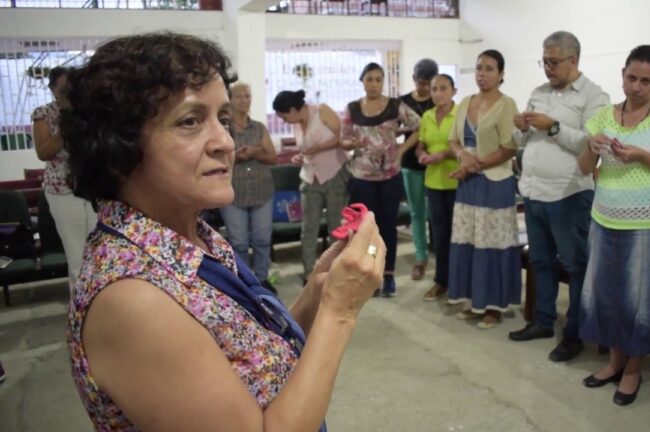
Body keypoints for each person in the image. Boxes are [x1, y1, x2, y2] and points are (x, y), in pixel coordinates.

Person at [61, 32, 385, 431]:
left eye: (224, 119)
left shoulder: (187, 234)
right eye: (191, 121)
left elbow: (256, 351)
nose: (226, 142)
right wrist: (340, 312)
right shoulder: (133, 299)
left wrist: (319, 291)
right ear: (117, 147)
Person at [577, 45, 650, 406]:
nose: (637, 86)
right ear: (622, 75)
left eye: (646, 81)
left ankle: (633, 369)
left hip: (648, 222)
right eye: (631, 78)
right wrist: (592, 146)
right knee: (606, 293)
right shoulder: (603, 116)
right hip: (604, 217)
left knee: (640, 297)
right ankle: (614, 361)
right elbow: (583, 168)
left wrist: (642, 155)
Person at [507, 31, 610, 362]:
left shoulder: (595, 97)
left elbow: (591, 145)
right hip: (534, 191)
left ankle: (575, 333)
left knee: (575, 265)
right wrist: (521, 127)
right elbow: (519, 141)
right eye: (544, 61)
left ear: (573, 60)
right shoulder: (539, 92)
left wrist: (553, 127)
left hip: (569, 194)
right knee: (540, 261)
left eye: (553, 62)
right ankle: (543, 321)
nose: (547, 68)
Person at [447, 50, 522, 329]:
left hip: (494, 182)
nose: (482, 73)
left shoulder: (507, 105)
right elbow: (453, 140)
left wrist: (475, 164)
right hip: (467, 184)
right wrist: (461, 158)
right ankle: (473, 301)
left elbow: (508, 148)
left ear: (501, 74)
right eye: (479, 68)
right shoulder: (466, 102)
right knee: (468, 242)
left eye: (489, 68)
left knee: (492, 245)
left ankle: (495, 306)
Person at [341, 62, 421, 297]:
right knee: (366, 228)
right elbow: (343, 139)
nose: (374, 84)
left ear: (383, 81)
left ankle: (388, 275)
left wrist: (402, 149)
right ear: (362, 82)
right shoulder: (353, 108)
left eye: (378, 79)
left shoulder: (396, 106)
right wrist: (351, 144)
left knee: (388, 226)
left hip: (389, 176)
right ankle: (368, 275)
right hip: (362, 176)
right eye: (369, 79)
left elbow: (419, 126)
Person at [32, 66, 97, 290]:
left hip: (93, 188)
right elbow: (43, 153)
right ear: (52, 89)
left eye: (73, 88)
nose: (70, 93)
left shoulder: (89, 113)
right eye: (64, 89)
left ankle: (103, 304)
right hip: (62, 192)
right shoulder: (44, 114)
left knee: (98, 253)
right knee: (77, 256)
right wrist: (65, 130)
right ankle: (81, 313)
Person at [273, 90, 349, 281]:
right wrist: (302, 156)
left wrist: (319, 148)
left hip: (334, 174)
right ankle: (309, 272)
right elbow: (307, 150)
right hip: (310, 178)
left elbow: (342, 137)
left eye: (283, 116)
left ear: (292, 110)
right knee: (308, 228)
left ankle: (336, 271)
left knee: (336, 227)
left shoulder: (321, 110)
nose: (284, 121)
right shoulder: (297, 125)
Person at [219, 82, 277, 291]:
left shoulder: (259, 127)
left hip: (262, 191)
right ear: (230, 99)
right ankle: (243, 282)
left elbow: (272, 157)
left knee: (262, 239)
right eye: (240, 96)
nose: (245, 100)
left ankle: (262, 279)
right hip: (234, 194)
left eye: (248, 96)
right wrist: (236, 155)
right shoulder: (222, 128)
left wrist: (255, 153)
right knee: (239, 242)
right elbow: (217, 157)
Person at [415, 74, 458, 301]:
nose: (438, 93)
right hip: (433, 182)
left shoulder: (461, 114)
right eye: (434, 89)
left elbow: (468, 146)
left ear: (453, 91)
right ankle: (441, 281)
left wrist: (445, 154)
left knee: (458, 236)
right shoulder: (427, 116)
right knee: (440, 237)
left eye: (443, 88)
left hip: (458, 181)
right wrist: (422, 155)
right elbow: (420, 146)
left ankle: (461, 284)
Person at [399, 58, 438, 281]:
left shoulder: (439, 100)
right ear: (414, 79)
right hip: (411, 165)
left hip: (437, 164)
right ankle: (420, 257)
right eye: (420, 82)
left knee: (437, 212)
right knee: (416, 212)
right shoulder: (402, 102)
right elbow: (392, 128)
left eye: (428, 83)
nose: (423, 88)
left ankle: (438, 250)